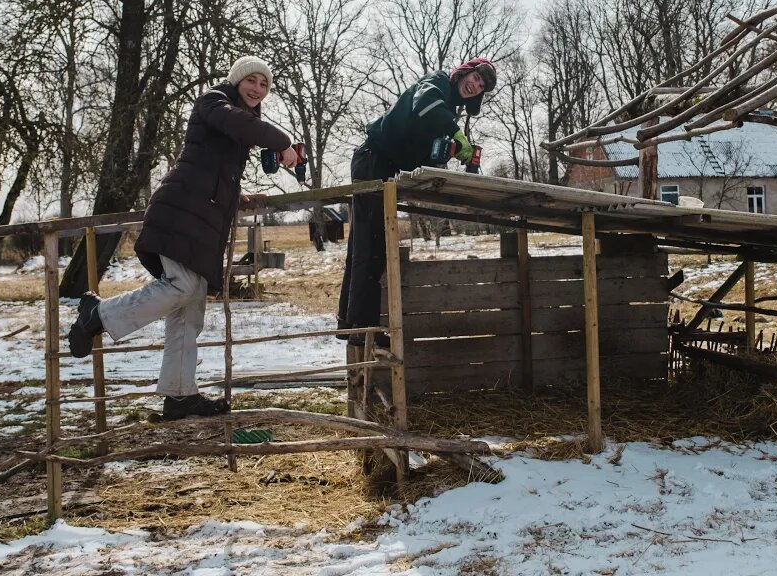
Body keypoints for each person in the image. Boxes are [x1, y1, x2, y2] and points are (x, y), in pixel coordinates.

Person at [66, 56, 298, 420]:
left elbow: (210, 167)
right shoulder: (214, 102)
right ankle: (98, 313)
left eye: (264, 84)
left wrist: (237, 196)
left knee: (190, 309)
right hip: (179, 214)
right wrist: (283, 142)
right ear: (236, 81)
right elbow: (232, 126)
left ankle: (179, 395)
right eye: (251, 80)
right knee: (181, 286)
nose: (257, 88)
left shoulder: (239, 126)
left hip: (200, 220)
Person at [337, 58, 497, 344]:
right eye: (475, 78)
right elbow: (424, 105)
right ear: (464, 72)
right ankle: (362, 329)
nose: (475, 86)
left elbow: (421, 152)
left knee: (366, 242)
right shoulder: (435, 84)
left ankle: (350, 323)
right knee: (372, 244)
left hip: (382, 166)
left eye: (481, 87)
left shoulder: (446, 110)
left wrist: (445, 154)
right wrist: (456, 134)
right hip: (372, 159)